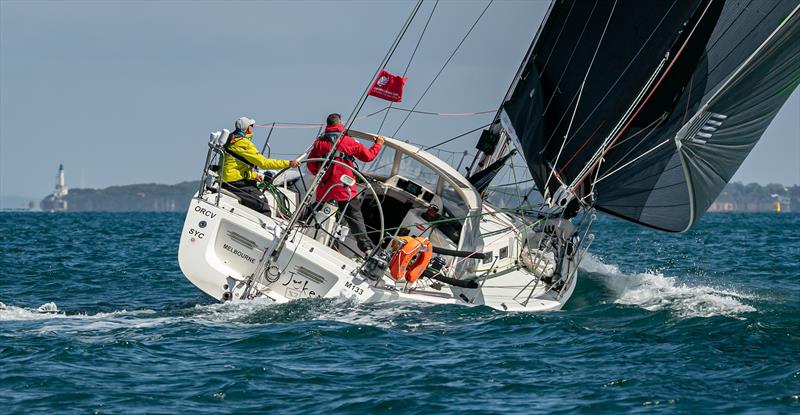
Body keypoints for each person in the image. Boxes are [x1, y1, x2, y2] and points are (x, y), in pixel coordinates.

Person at [307, 113, 384, 253]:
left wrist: (323, 174)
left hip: (325, 189)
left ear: (328, 125)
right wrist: (378, 144)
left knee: (316, 210)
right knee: (354, 217)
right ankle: (366, 248)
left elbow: (311, 166)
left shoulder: (319, 143)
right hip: (345, 190)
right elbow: (368, 157)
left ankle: (304, 228)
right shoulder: (349, 142)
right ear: (340, 123)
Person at [222, 116, 300, 214]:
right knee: (263, 206)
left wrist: (253, 176)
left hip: (229, 179)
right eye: (251, 126)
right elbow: (264, 163)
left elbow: (235, 165)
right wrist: (289, 163)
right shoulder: (243, 143)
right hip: (235, 182)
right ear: (246, 129)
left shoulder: (232, 139)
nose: (253, 127)